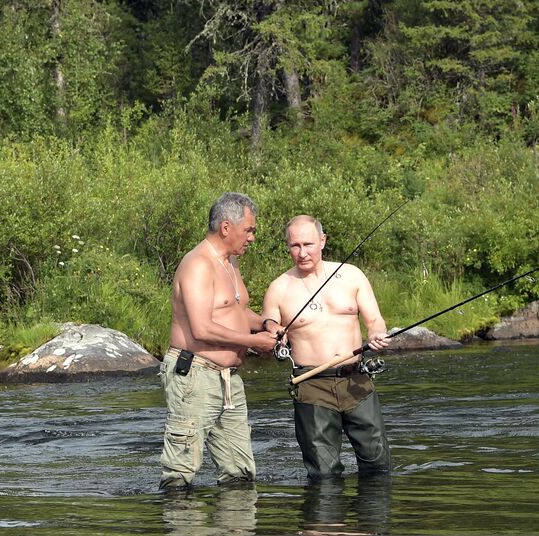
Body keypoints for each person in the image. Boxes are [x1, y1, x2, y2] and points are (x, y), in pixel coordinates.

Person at [160, 192, 280, 489]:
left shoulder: (231, 263)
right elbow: (202, 328)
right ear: (226, 228)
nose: (252, 237)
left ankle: (233, 534)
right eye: (249, 230)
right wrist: (254, 342)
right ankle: (185, 533)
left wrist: (266, 324)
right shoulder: (197, 264)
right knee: (180, 473)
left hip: (229, 380)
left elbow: (236, 311)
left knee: (240, 473)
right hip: (195, 377)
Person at [261, 216, 392, 478]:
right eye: (294, 245)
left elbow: (375, 319)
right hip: (311, 385)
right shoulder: (279, 288)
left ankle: (373, 519)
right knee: (324, 474)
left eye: (308, 244)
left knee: (379, 467)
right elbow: (270, 325)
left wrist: (377, 334)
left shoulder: (352, 275)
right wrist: (275, 334)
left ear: (323, 241)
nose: (302, 252)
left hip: (357, 380)